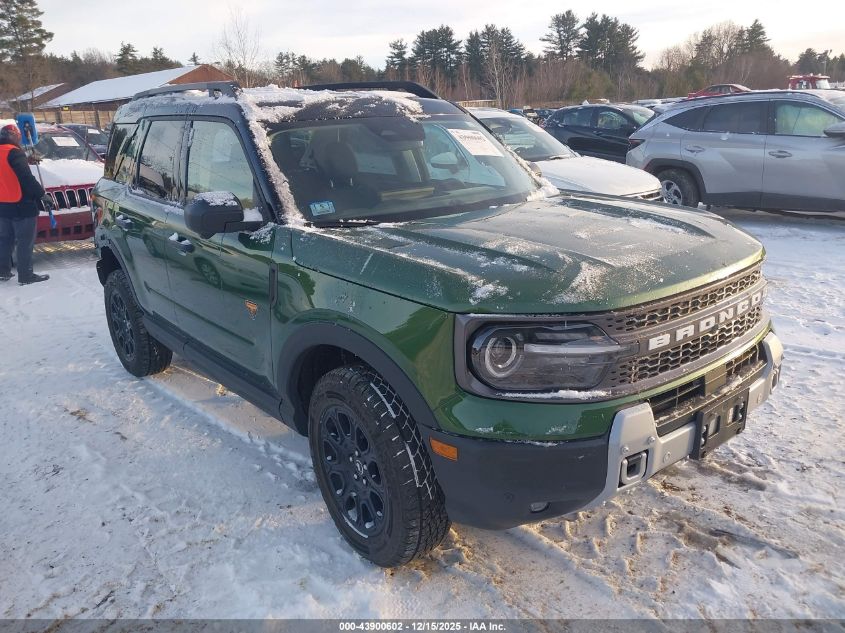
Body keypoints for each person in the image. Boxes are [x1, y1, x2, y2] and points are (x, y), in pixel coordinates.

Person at [0, 123, 51, 284]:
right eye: (18, 137)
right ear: (13, 137)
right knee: (24, 242)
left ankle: (2, 271)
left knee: (5, 240)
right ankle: (26, 276)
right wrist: (42, 195)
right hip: (21, 205)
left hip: (3, 205)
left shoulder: (6, 152)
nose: (19, 140)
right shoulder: (14, 153)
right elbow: (26, 178)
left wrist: (26, 159)